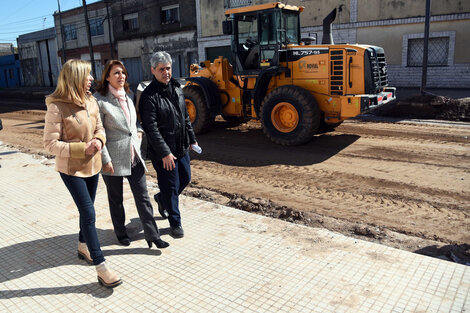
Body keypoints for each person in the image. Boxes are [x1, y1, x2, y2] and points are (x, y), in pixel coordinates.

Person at [43, 59, 122, 288]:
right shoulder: (57, 106)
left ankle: (82, 246)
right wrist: (82, 148)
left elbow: (99, 127)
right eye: (87, 75)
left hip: (93, 165)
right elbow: (50, 144)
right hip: (71, 169)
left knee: (86, 210)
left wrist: (98, 140)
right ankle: (101, 267)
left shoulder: (91, 101)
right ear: (75, 77)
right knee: (89, 214)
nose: (91, 79)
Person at [94, 60, 169, 249]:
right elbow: (98, 131)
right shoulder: (100, 100)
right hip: (112, 158)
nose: (121, 76)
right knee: (116, 199)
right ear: (107, 77)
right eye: (116, 73)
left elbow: (134, 122)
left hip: (134, 154)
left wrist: (140, 131)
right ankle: (120, 233)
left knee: (143, 196)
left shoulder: (128, 96)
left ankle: (153, 235)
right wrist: (105, 160)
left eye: (123, 73)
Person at [139, 51, 198, 239]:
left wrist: (192, 138)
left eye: (168, 68)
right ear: (153, 71)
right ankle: (175, 223)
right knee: (171, 186)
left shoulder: (177, 88)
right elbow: (151, 128)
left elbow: (185, 117)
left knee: (185, 178)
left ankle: (162, 198)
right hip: (162, 152)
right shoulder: (149, 96)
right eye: (162, 69)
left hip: (180, 146)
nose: (166, 72)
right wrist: (164, 153)